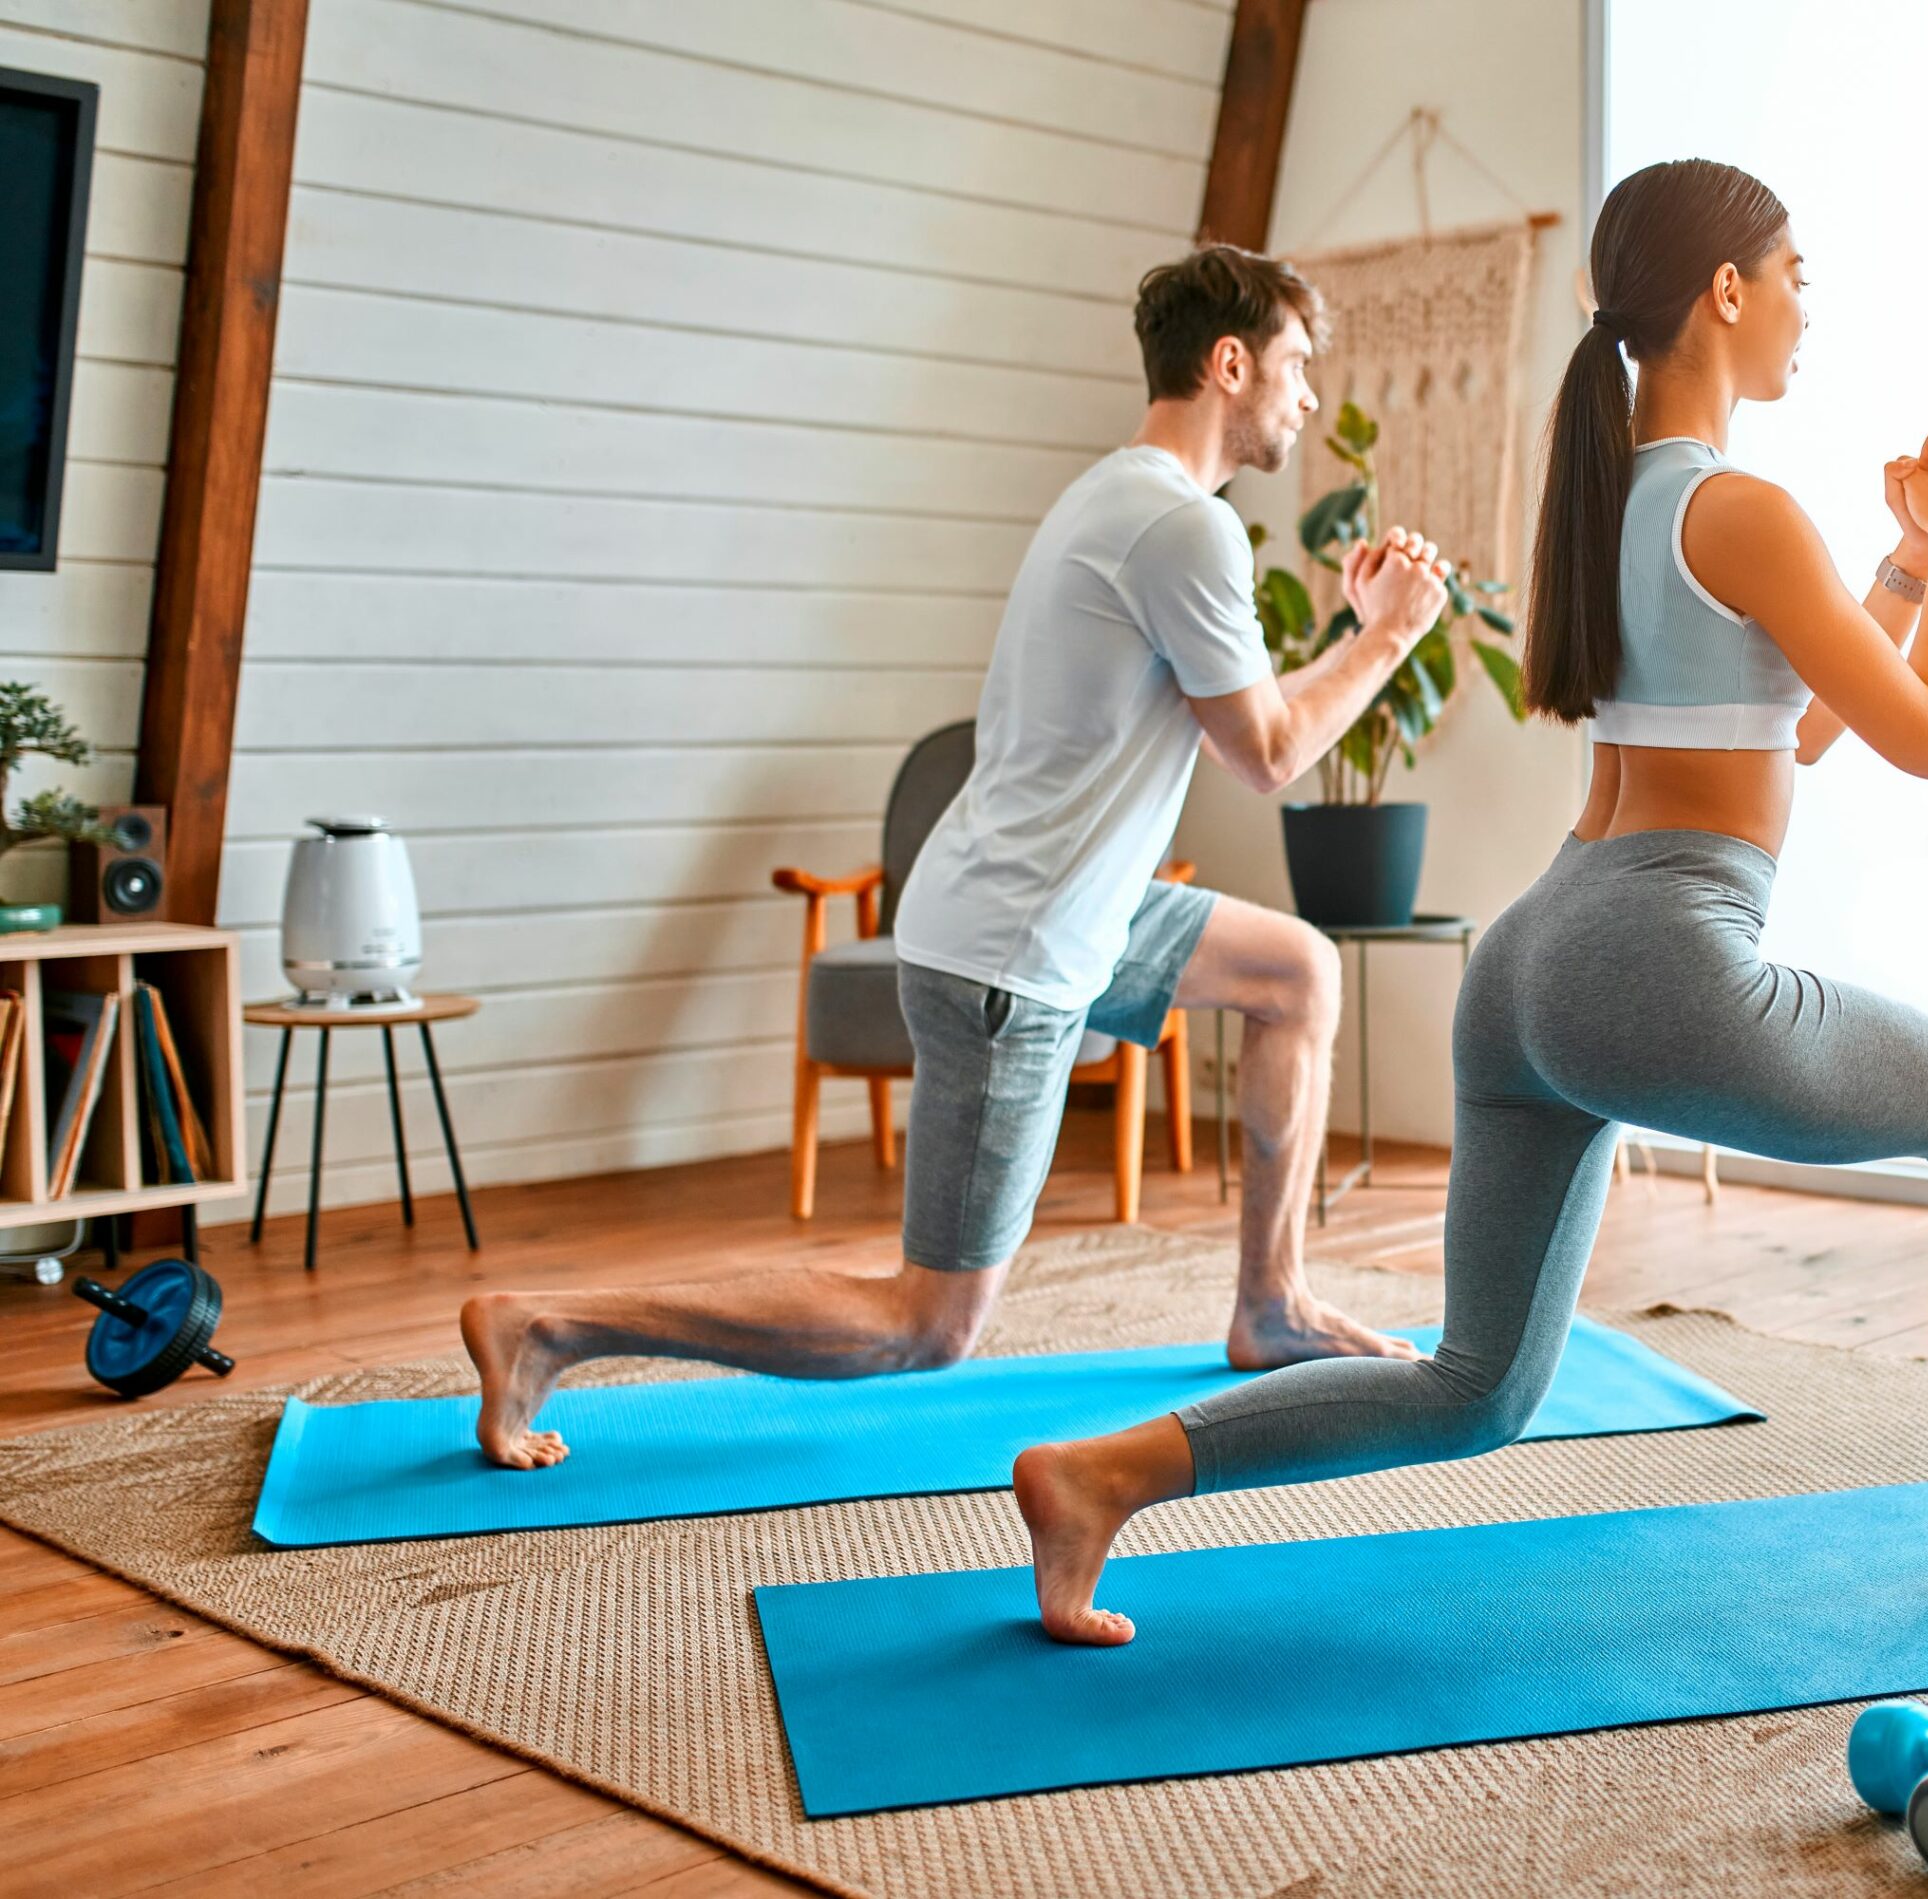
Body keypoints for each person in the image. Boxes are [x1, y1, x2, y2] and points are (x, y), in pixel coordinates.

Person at [1012, 159, 1928, 1644]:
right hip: (1658, 950)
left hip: (1537, 950)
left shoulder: (1623, 498)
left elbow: (1795, 725)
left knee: (1474, 1383)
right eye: (1796, 271)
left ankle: (1099, 1476)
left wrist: (1905, 562)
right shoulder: (1740, 506)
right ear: (1727, 290)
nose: (1810, 303)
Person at [462, 246, 1455, 1470]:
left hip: (1060, 909)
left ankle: (1270, 1303)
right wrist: (1390, 636)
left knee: (1294, 971)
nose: (1305, 397)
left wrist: (1359, 640)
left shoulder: (1123, 495)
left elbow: (1249, 719)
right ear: (1230, 362)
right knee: (926, 1324)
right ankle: (551, 1328)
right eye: (1296, 366)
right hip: (1012, 953)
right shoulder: (1181, 529)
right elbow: (1269, 753)